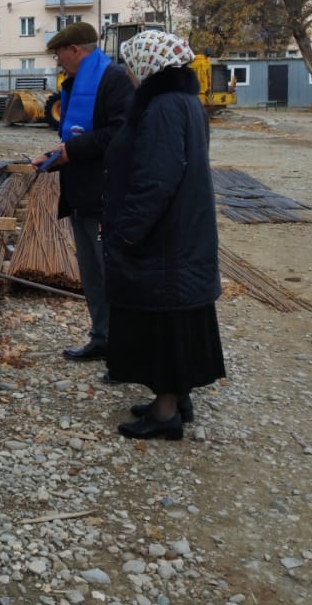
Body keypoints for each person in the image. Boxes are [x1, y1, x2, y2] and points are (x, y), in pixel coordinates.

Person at [101, 30, 225, 441]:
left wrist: (127, 232)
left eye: (130, 65)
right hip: (182, 235)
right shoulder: (186, 102)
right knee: (178, 320)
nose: (127, 73)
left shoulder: (163, 108)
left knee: (166, 323)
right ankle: (176, 397)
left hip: (165, 240)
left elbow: (157, 178)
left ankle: (166, 411)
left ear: (147, 66)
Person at [31, 22, 133, 365]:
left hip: (105, 193)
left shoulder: (113, 79)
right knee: (91, 272)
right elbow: (75, 135)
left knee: (110, 271)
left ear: (76, 49)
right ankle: (102, 337)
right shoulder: (75, 83)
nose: (57, 60)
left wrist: (72, 151)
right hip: (81, 193)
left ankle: (124, 345)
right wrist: (55, 156)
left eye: (59, 53)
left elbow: (122, 133)